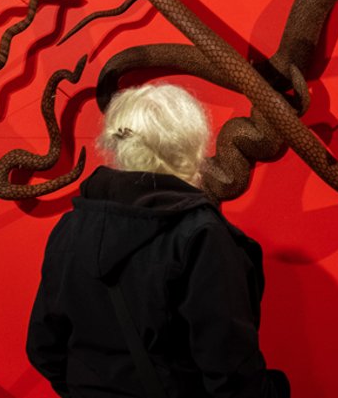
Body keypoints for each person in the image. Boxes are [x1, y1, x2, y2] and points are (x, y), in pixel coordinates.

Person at [27, 83, 290, 398]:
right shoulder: (200, 237)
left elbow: (43, 347)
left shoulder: (71, 227)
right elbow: (231, 372)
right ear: (192, 145)